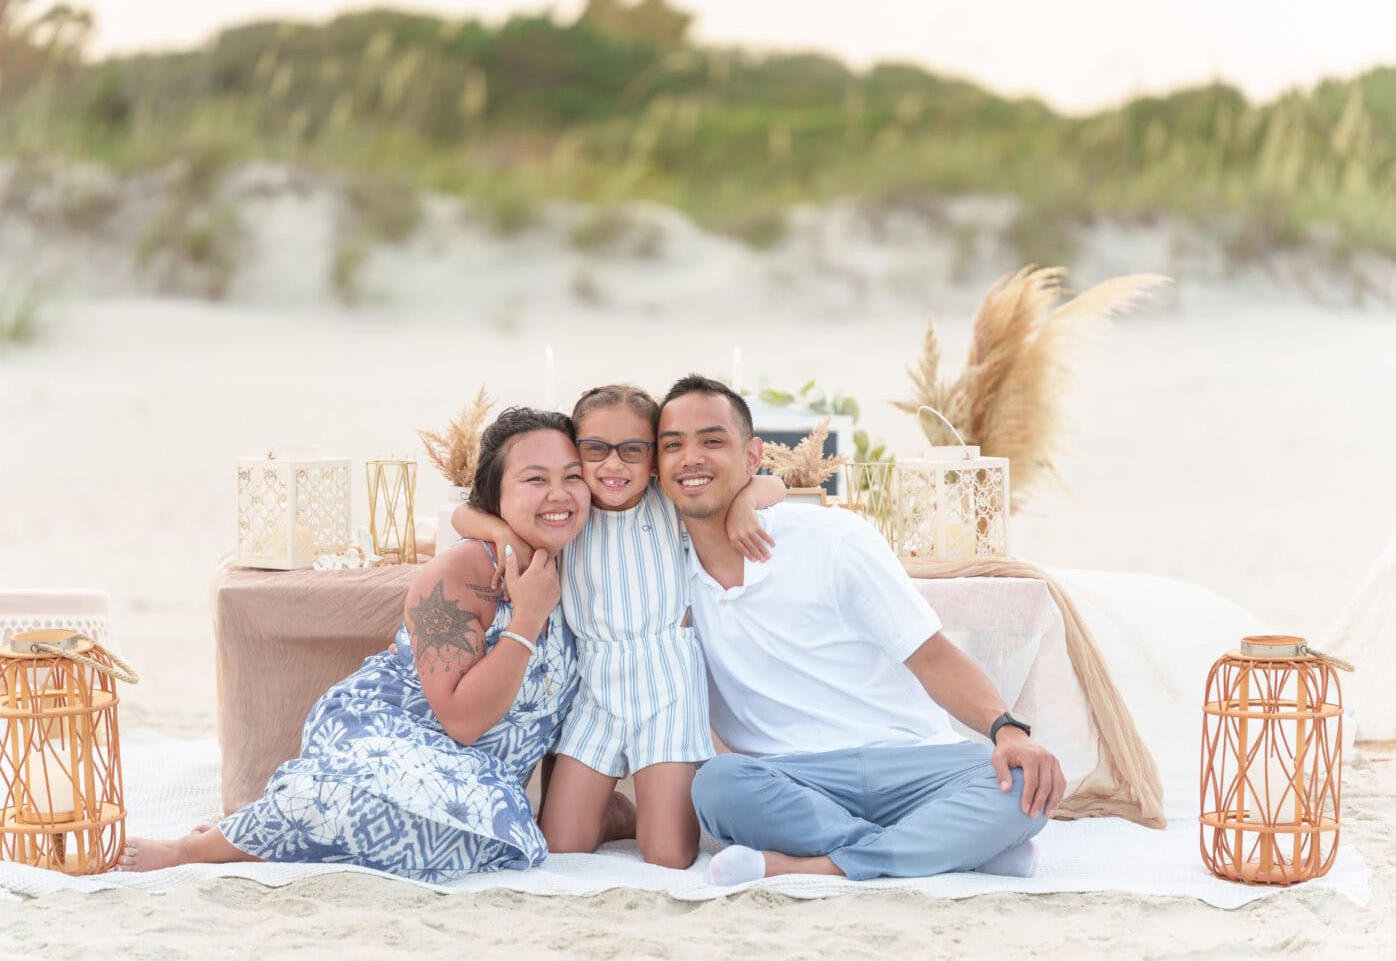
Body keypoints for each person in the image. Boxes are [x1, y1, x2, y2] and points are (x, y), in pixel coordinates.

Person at [120, 407, 594, 880]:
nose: (559, 493)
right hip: (388, 732)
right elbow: (462, 721)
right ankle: (200, 848)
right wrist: (527, 619)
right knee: (384, 807)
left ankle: (286, 825)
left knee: (475, 834)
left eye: (572, 477)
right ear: (496, 496)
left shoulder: (582, 562)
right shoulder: (461, 574)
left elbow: (469, 513)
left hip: (481, 775)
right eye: (535, 479)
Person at [654, 375, 1065, 885]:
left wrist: (1008, 732)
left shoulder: (833, 539)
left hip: (915, 762)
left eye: (712, 441)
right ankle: (946, 850)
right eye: (673, 445)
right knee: (718, 786)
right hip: (793, 777)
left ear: (752, 454)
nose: (691, 457)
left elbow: (932, 656)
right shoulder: (662, 570)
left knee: (1026, 787)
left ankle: (815, 865)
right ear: (657, 466)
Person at [455, 384, 785, 868]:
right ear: (577, 455)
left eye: (632, 451)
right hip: (595, 684)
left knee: (669, 855)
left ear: (653, 458)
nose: (613, 466)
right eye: (595, 451)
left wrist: (743, 503)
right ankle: (614, 812)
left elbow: (773, 485)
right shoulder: (569, 511)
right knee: (563, 845)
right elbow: (464, 514)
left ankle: (653, 811)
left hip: (667, 681)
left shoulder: (668, 501)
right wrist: (502, 532)